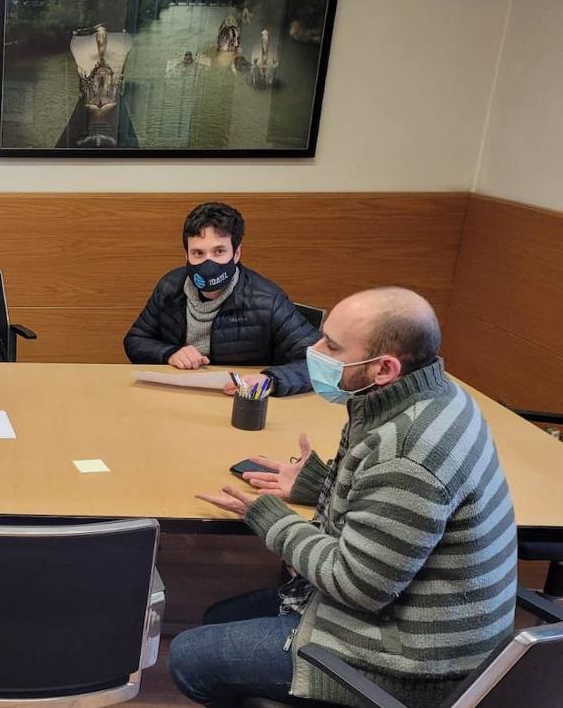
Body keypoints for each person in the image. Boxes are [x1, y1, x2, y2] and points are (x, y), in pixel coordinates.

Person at [172, 287, 517, 708]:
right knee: (219, 619)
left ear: (384, 369)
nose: (313, 350)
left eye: (331, 346)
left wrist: (271, 519)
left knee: (188, 657)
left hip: (410, 664)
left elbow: (357, 584)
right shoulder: (431, 396)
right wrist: (320, 485)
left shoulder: (407, 453)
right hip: (419, 621)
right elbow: (396, 510)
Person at [123, 202, 319, 396]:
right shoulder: (170, 287)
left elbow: (319, 362)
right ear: (186, 255)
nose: (209, 263)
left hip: (239, 401)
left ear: (236, 253)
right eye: (198, 253)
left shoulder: (267, 300)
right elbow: (136, 340)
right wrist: (170, 353)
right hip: (178, 397)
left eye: (219, 251)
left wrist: (270, 380)